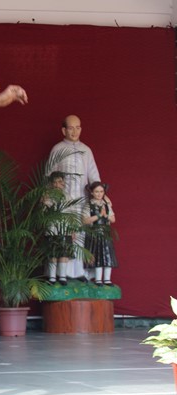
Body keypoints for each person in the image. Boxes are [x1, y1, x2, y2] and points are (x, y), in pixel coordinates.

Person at [47, 115, 101, 281]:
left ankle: (79, 272)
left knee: (80, 235)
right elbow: (49, 175)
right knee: (62, 235)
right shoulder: (57, 149)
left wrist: (100, 196)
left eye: (78, 127)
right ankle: (61, 273)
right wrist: (49, 197)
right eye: (71, 128)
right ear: (64, 130)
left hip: (82, 200)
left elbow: (94, 175)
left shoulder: (86, 150)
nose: (75, 131)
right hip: (62, 202)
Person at [42, 172, 75, 286]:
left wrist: (73, 229)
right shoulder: (47, 196)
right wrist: (44, 202)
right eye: (54, 182)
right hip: (52, 228)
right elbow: (43, 213)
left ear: (63, 183)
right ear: (51, 184)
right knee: (52, 253)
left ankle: (62, 276)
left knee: (64, 253)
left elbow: (72, 214)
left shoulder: (68, 197)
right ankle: (52, 277)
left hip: (65, 229)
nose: (57, 185)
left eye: (60, 182)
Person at [83, 181, 117, 285]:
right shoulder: (89, 205)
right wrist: (98, 216)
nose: (99, 194)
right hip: (94, 233)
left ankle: (107, 278)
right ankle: (98, 279)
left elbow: (113, 219)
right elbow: (85, 220)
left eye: (101, 191)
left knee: (107, 255)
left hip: (105, 233)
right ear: (92, 193)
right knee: (97, 255)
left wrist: (105, 215)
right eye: (96, 192)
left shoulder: (106, 205)